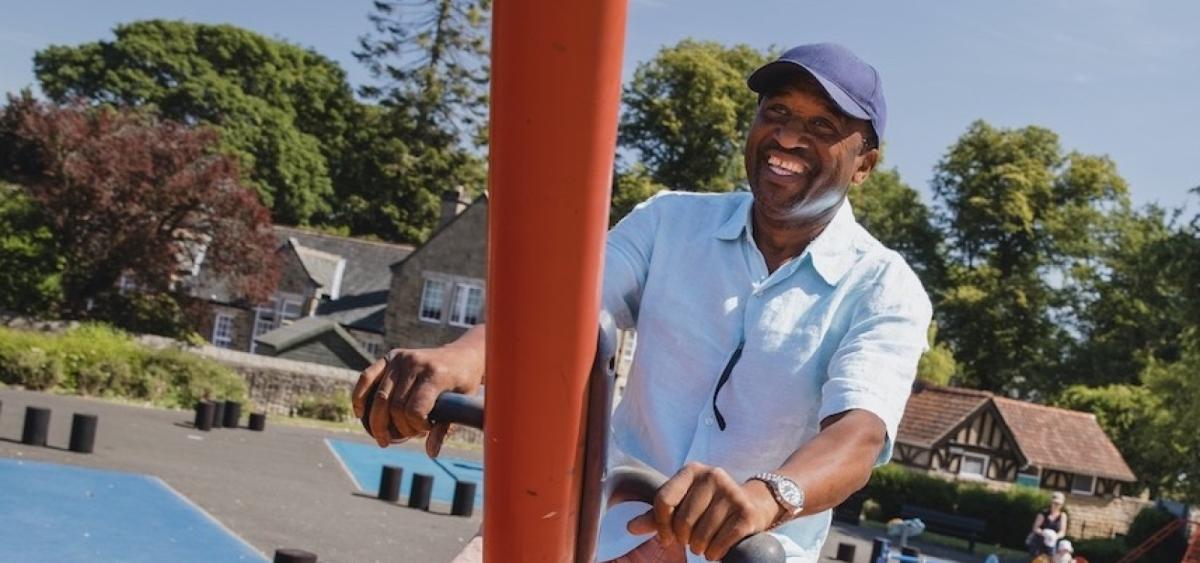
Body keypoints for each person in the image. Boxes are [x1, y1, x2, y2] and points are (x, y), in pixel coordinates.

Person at [353, 43, 932, 563]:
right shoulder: (669, 221)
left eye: (822, 125)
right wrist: (461, 360)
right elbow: (563, 314)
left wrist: (764, 497)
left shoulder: (885, 288)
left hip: (739, 552)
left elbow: (857, 434)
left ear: (864, 165)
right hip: (597, 528)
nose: (785, 137)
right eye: (775, 112)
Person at [1028, 491, 1069, 557]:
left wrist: (1055, 536)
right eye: (1054, 503)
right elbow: (1035, 528)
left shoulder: (1063, 516)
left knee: (1051, 558)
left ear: (1061, 505)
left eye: (1058, 504)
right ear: (1051, 502)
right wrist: (1044, 533)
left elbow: (1062, 532)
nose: (1056, 505)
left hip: (1053, 544)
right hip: (1039, 542)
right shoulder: (1043, 513)